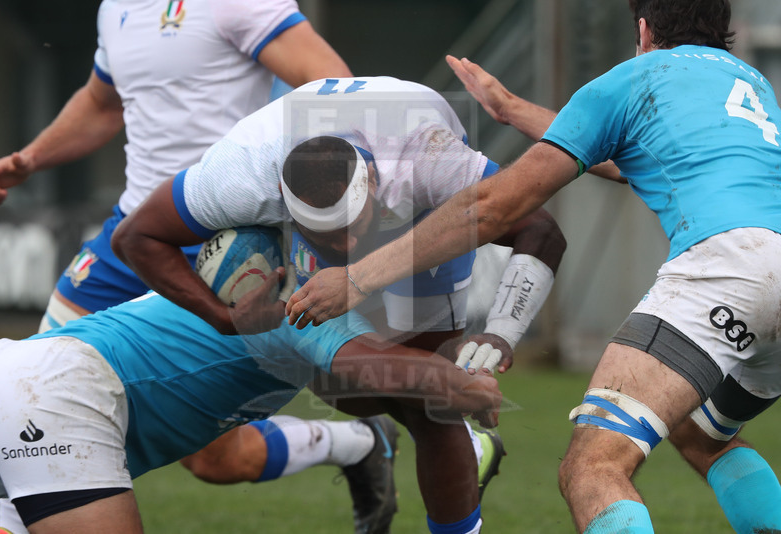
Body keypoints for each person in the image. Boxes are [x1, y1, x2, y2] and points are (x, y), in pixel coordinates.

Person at [285, 1, 781, 532]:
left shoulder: (634, 77)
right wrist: (512, 109)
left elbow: (490, 207)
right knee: (700, 433)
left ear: (643, 28)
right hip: (769, 270)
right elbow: (637, 156)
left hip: (726, 270)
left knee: (592, 467)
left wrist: (358, 277)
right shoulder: (751, 86)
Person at [0, 1, 386, 533]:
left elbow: (330, 86)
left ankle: (360, 442)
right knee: (23, 403)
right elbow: (103, 103)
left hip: (218, 245)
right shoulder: (117, 8)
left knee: (215, 461)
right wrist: (31, 158)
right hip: (129, 238)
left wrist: (309, 211)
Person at [110, 74, 565, 533]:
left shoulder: (427, 163)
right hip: (310, 171)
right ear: (284, 208)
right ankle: (390, 440)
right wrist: (222, 318)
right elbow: (135, 236)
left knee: (433, 403)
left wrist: (500, 333)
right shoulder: (243, 175)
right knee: (349, 392)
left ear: (370, 182)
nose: (347, 245)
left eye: (353, 224)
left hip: (417, 209)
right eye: (326, 234)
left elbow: (541, 230)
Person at [0, 226, 502, 534]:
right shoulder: (305, 297)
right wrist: (464, 385)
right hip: (58, 394)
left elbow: (361, 385)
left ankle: (362, 448)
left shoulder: (287, 283)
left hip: (7, 371)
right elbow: (360, 366)